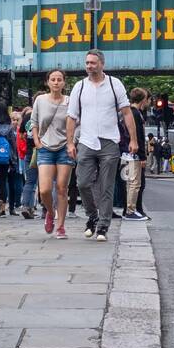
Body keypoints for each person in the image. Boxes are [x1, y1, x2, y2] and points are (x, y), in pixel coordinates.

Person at [65, 49, 139, 242]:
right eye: (87, 63)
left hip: (109, 142)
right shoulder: (79, 87)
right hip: (86, 142)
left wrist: (133, 139)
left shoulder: (115, 85)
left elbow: (127, 113)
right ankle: (92, 215)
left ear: (102, 64)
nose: (89, 66)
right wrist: (70, 143)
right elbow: (72, 117)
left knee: (106, 186)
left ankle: (103, 227)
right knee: (82, 182)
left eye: (93, 63)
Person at [31, 71, 74, 239]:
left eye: (59, 80)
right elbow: (33, 123)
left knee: (62, 188)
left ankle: (61, 226)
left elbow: (76, 122)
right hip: (45, 147)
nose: (56, 82)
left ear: (64, 83)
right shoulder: (40, 100)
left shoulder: (70, 101)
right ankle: (50, 211)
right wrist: (36, 141)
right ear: (47, 82)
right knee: (45, 190)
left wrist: (72, 142)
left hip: (64, 147)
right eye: (53, 80)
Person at [122, 88, 150, 221]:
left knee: (129, 182)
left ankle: (128, 209)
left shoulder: (130, 112)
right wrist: (143, 156)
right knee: (134, 182)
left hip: (126, 152)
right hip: (133, 153)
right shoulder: (135, 114)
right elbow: (138, 135)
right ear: (143, 99)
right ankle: (130, 210)